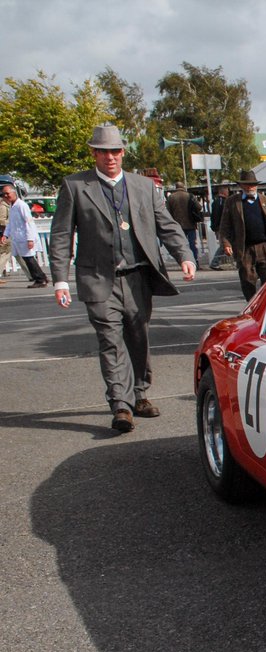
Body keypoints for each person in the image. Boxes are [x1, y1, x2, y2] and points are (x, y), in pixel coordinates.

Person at [48, 124, 196, 433]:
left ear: (123, 153)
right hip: (98, 279)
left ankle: (140, 393)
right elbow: (61, 235)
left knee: (138, 338)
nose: (110, 157)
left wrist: (185, 255)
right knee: (110, 341)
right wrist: (60, 280)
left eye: (115, 151)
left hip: (137, 277)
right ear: (94, 154)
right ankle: (120, 405)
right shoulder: (75, 186)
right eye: (103, 152)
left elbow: (166, 225)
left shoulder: (143, 186)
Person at [220, 170, 266, 301]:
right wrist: (226, 243)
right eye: (247, 184)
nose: (250, 187)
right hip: (244, 248)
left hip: (265, 246)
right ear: (241, 186)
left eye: (253, 184)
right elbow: (225, 225)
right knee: (247, 281)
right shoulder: (232, 202)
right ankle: (251, 307)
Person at [1, 178, 50, 288]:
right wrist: (5, 235)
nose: (6, 196)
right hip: (18, 238)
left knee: (29, 259)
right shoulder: (12, 206)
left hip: (25, 237)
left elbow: (29, 223)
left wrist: (30, 239)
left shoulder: (21, 206)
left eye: (7, 193)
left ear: (14, 193)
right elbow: (10, 223)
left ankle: (40, 279)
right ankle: (42, 278)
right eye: (4, 194)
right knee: (27, 259)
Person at [166, 181, 202, 263]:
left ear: (176, 187)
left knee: (181, 245)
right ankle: (194, 260)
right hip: (190, 224)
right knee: (192, 243)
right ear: (184, 187)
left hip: (177, 225)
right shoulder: (190, 196)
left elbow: (167, 212)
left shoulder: (171, 197)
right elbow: (199, 207)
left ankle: (184, 261)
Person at [208, 184, 229, 269]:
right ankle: (215, 262)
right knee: (224, 245)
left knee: (224, 244)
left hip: (218, 226)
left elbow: (214, 215)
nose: (228, 193)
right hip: (222, 227)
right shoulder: (222, 202)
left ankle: (217, 262)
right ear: (224, 192)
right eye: (227, 191)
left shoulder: (216, 201)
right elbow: (219, 215)